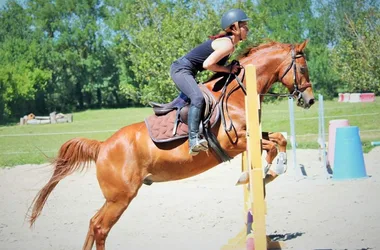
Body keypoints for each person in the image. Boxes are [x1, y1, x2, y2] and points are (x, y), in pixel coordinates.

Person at [170, 8, 250, 156]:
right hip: (181, 69)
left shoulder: (229, 44)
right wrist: (228, 69)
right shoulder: (228, 45)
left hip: (188, 71)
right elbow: (208, 65)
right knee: (198, 97)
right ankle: (193, 139)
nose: (248, 29)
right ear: (234, 27)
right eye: (244, 25)